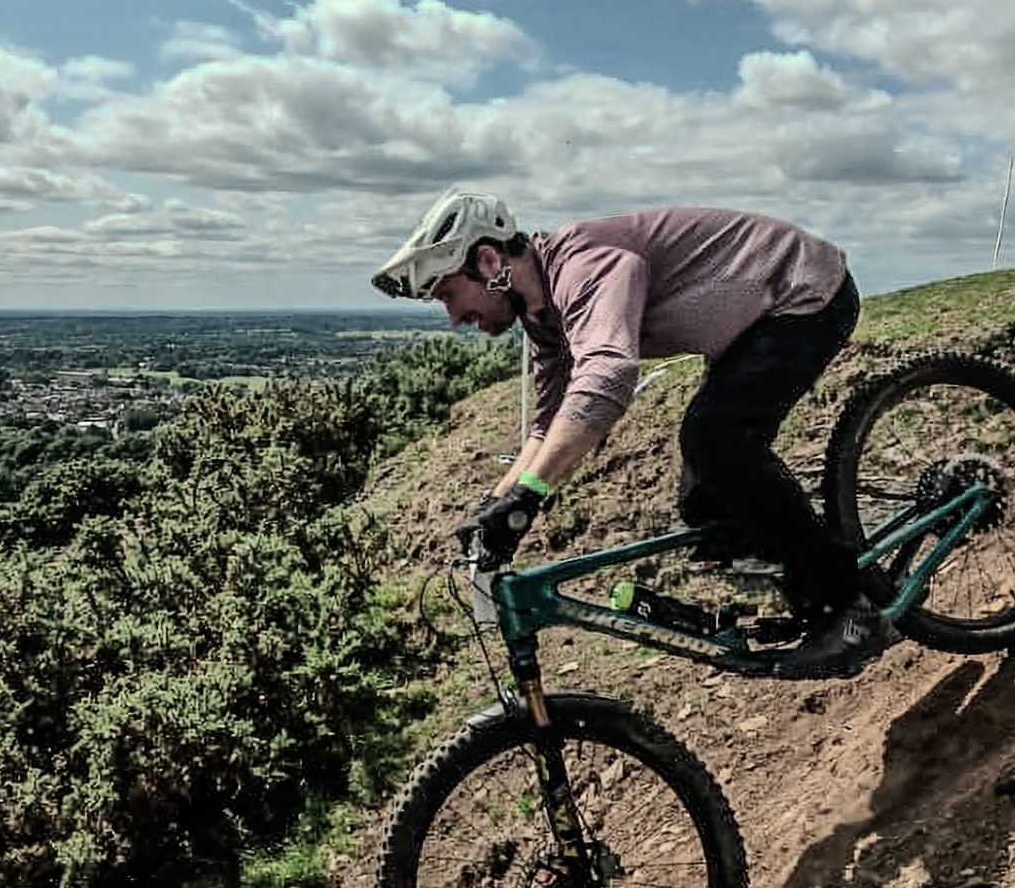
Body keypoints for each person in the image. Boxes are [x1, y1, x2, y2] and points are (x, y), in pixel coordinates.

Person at [372, 190, 894, 679]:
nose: (455, 318)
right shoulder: (543, 317)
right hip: (749, 328)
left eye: (449, 294)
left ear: (488, 263)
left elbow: (607, 378)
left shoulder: (586, 265)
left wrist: (530, 497)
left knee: (716, 441)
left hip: (803, 294)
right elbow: (548, 426)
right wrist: (495, 505)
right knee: (707, 505)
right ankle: (839, 573)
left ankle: (848, 610)